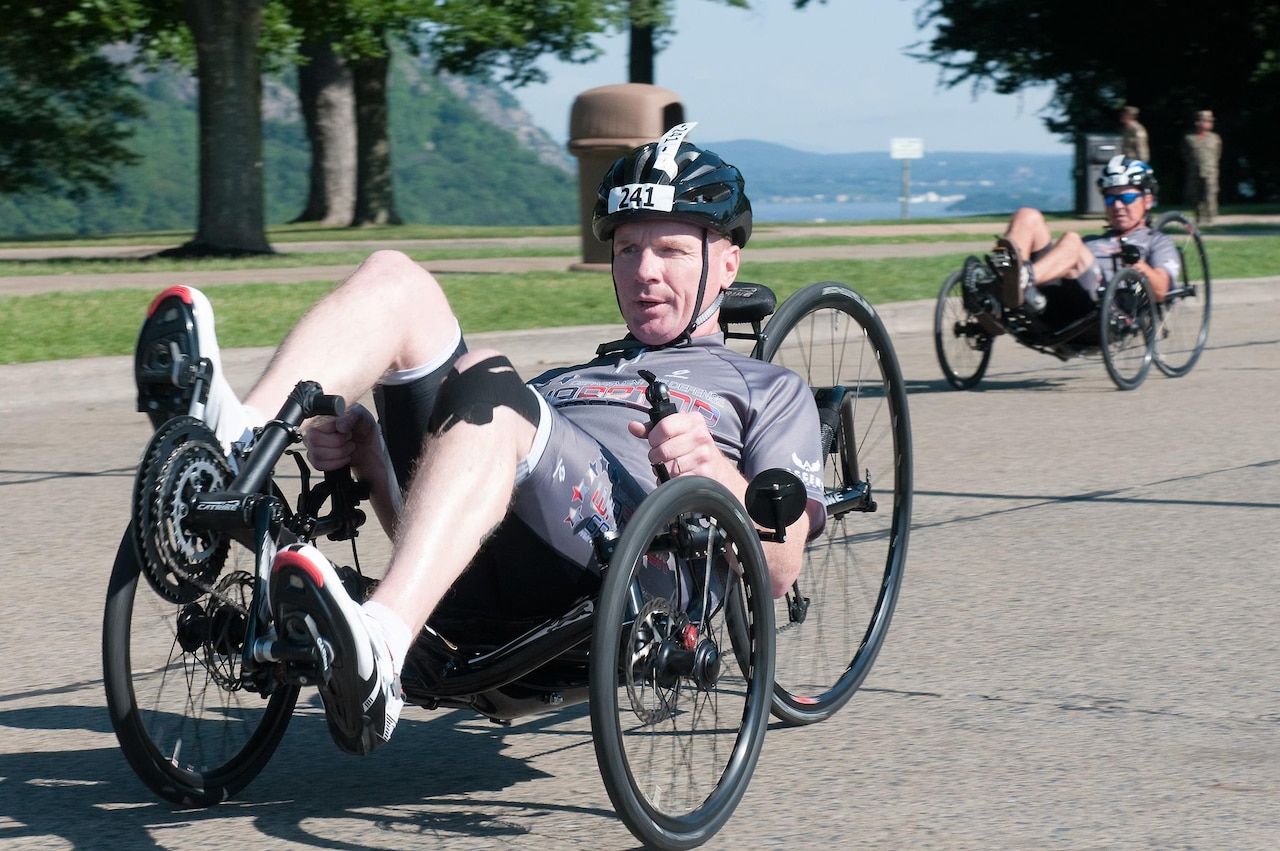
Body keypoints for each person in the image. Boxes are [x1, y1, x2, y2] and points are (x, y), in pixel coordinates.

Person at [132, 122, 826, 757]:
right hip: (482, 582)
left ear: (728, 263)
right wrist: (375, 465)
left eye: (670, 250)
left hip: (621, 580)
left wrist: (716, 476)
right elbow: (441, 522)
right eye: (627, 248)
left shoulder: (765, 387)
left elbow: (780, 568)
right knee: (396, 277)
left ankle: (380, 642)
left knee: (486, 380)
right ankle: (235, 439)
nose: (644, 270)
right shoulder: (567, 379)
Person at [973, 155, 1178, 324]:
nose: (1117, 206)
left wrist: (1138, 266)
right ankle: (1003, 281)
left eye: (1126, 198)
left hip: (1098, 309)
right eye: (1110, 198)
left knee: (1072, 240)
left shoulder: (1157, 241)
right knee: (1028, 216)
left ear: (1148, 200)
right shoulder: (1092, 240)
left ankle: (1019, 279)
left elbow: (1161, 290)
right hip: (1053, 296)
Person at [1181, 109, 1222, 224]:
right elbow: (1185, 154)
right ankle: (1199, 216)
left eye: (1211, 121)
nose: (1210, 123)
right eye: (1206, 121)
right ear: (1198, 123)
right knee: (1196, 195)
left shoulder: (1215, 138)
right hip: (1195, 171)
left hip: (1210, 171)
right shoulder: (1189, 138)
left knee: (1210, 194)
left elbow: (1217, 154)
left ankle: (1210, 218)